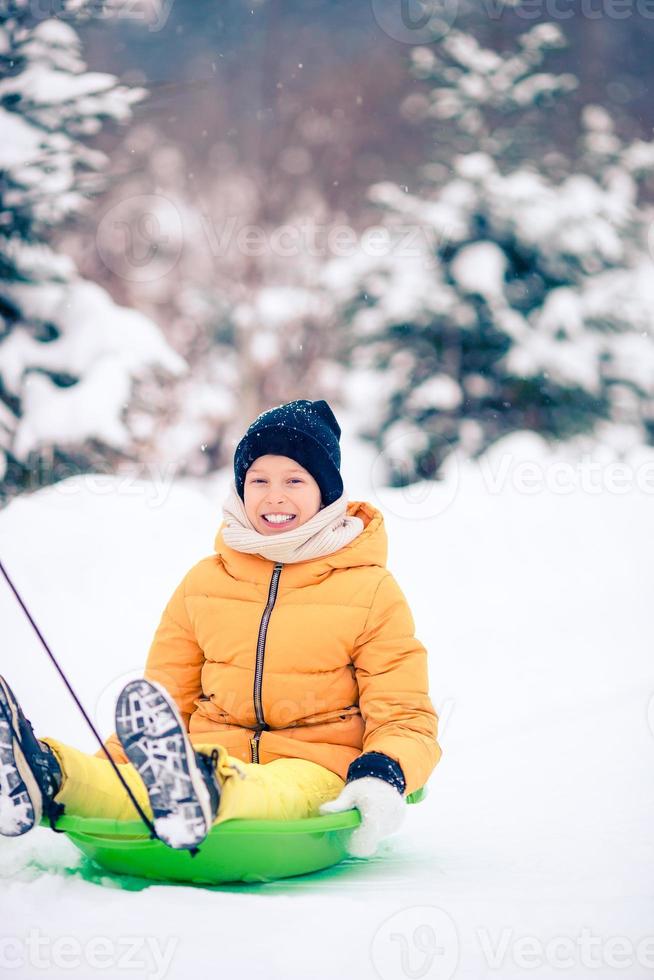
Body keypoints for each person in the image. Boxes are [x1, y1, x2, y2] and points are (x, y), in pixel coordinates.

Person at [0, 399, 442, 857]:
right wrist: (112, 767)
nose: (274, 496)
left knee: (276, 790)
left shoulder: (370, 590)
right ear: (240, 488)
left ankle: (202, 792)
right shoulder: (204, 583)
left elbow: (404, 713)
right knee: (131, 786)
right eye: (259, 481)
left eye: (295, 480)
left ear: (326, 493)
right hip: (195, 756)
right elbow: (163, 701)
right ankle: (47, 773)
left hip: (315, 768)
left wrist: (383, 771)